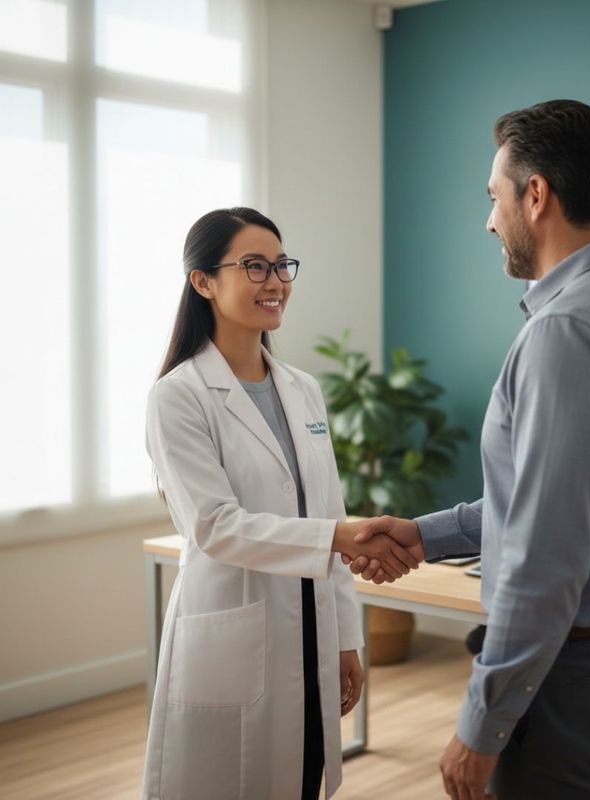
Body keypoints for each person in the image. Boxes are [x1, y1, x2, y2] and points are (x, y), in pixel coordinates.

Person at [346, 100, 590, 799]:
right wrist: (423, 534)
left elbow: (545, 553)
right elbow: (550, 502)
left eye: (493, 197)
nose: (489, 219)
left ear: (535, 195)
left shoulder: (566, 332)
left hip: (574, 681)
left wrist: (482, 723)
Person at [141, 207, 419, 800]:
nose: (275, 281)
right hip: (233, 634)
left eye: (281, 265)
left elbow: (329, 509)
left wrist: (346, 637)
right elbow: (215, 528)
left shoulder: (302, 388)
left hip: (312, 630)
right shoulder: (179, 397)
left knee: (302, 779)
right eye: (255, 266)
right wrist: (338, 538)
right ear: (203, 282)